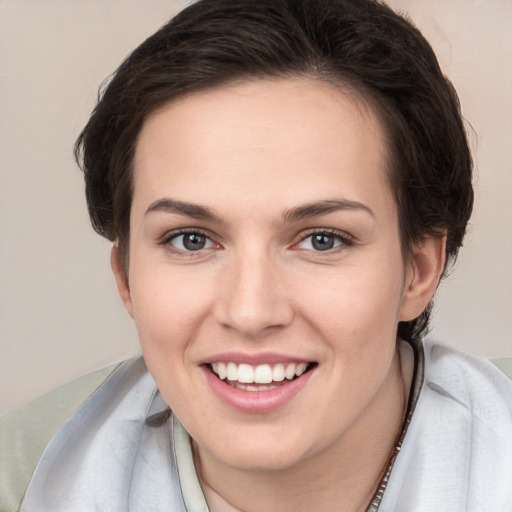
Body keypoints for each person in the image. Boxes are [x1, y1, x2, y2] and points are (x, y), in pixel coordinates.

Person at [1, 0, 511, 510]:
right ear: (126, 276)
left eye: (322, 240)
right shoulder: (24, 478)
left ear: (419, 271)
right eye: (191, 239)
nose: (250, 312)